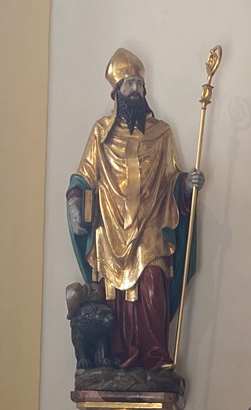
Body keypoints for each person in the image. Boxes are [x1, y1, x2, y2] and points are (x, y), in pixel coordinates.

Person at [67, 47, 204, 369]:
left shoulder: (161, 133)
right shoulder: (101, 133)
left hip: (152, 226)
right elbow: (83, 176)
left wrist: (186, 185)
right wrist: (75, 201)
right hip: (110, 230)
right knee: (112, 298)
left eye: (139, 85)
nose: (135, 91)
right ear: (116, 92)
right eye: (128, 84)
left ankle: (154, 357)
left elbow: (172, 177)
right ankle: (114, 358)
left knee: (154, 286)